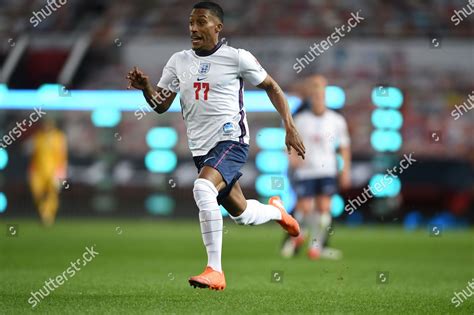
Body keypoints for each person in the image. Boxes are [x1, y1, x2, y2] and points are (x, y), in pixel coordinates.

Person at [126, 1, 305, 290]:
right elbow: (162, 105)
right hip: (202, 150)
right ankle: (277, 211)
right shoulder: (178, 61)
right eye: (190, 23)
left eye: (200, 22)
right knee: (242, 214)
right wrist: (147, 87)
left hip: (231, 141)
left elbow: (272, 86)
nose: (193, 28)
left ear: (217, 27)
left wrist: (290, 125)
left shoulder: (237, 58)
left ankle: (215, 270)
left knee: (202, 187)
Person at [281, 75, 351, 260]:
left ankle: (316, 247)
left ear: (325, 99)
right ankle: (296, 238)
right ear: (311, 98)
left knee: (324, 209)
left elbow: (344, 148)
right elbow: (290, 143)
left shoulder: (336, 120)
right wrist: (293, 159)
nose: (318, 100)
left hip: (327, 170)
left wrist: (345, 170)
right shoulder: (301, 119)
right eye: (315, 96)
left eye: (321, 97)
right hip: (306, 170)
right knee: (303, 208)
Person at [29, 119, 68, 226]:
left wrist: (61, 172)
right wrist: (32, 169)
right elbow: (34, 155)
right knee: (38, 193)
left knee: (52, 194)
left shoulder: (59, 137)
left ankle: (48, 216)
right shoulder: (38, 137)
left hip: (54, 171)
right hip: (38, 171)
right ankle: (44, 213)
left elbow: (63, 155)